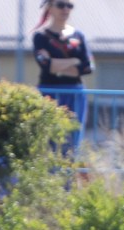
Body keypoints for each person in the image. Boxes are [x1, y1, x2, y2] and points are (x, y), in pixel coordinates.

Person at [33, 0, 94, 152]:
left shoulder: (79, 36)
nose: (65, 9)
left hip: (75, 93)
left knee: (72, 140)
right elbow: (45, 66)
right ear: (50, 8)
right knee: (47, 139)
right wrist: (73, 61)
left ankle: (68, 174)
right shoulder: (41, 36)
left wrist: (56, 65)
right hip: (49, 93)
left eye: (69, 5)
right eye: (61, 5)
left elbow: (87, 67)